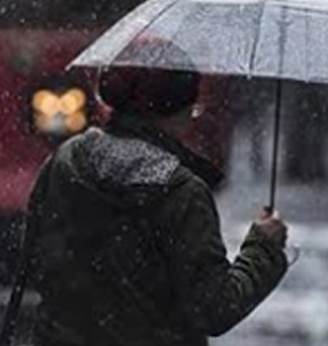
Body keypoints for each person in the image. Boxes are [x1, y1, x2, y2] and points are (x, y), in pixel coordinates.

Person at [25, 58, 289, 346]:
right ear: (180, 110)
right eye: (193, 106)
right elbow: (215, 309)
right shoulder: (181, 192)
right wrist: (263, 247)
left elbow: (37, 258)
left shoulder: (68, 158)